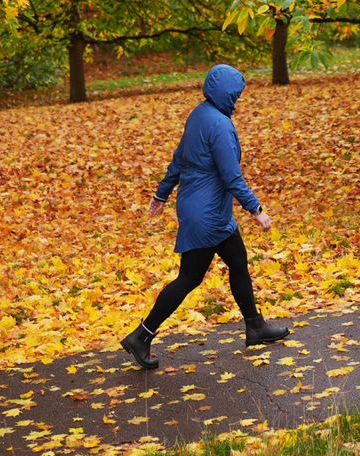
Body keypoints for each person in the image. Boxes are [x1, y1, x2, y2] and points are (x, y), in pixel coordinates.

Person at [121, 63, 290, 370]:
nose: (237, 100)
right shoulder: (220, 125)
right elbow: (231, 176)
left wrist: (162, 194)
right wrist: (257, 210)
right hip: (208, 214)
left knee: (237, 261)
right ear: (226, 93)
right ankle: (141, 336)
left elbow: (178, 158)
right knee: (189, 277)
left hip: (201, 207)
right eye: (236, 95)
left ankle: (255, 326)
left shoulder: (199, 114)